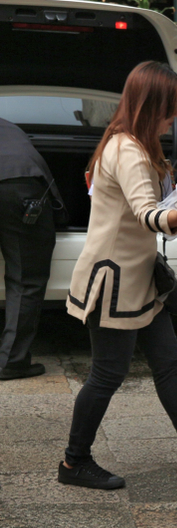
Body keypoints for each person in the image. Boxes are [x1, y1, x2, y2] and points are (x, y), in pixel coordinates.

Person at [59, 61, 177, 491]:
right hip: (114, 284)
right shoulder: (128, 150)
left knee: (169, 366)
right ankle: (73, 462)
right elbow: (147, 213)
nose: (174, 115)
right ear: (151, 104)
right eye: (170, 106)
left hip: (139, 280)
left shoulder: (131, 143)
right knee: (107, 374)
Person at [0, 118, 64, 380]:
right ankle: (12, 361)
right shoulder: (10, 129)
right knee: (25, 279)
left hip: (14, 181)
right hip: (19, 185)